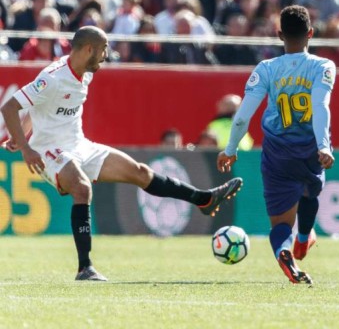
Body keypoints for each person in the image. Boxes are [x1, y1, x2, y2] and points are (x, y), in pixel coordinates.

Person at [0, 26, 243, 282]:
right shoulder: (52, 77)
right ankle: (85, 267)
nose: (107, 55)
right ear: (89, 49)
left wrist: (20, 135)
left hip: (79, 144)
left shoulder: (85, 73)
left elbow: (37, 108)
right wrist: (25, 146)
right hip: (50, 151)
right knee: (82, 189)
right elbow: (10, 107)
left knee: (140, 172)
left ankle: (203, 200)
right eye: (104, 49)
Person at [216, 6, 335, 284]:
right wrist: (324, 146)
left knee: (280, 224)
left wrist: (230, 149)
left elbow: (243, 115)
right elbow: (320, 106)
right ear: (310, 34)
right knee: (309, 192)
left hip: (277, 152)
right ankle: (303, 238)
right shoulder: (323, 66)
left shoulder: (266, 69)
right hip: (309, 147)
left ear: (279, 34)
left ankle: (285, 251)